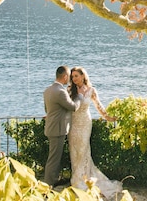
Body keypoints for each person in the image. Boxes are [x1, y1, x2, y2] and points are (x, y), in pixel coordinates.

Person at [68, 66, 122, 199]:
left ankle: (84, 179)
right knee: (74, 151)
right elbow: (64, 106)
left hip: (85, 123)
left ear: (83, 76)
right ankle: (77, 178)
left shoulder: (91, 90)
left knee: (83, 149)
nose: (74, 79)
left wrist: (109, 117)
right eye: (72, 76)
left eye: (76, 76)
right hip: (74, 124)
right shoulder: (70, 90)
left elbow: (99, 105)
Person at [43, 65, 82, 186]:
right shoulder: (60, 92)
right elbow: (73, 107)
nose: (69, 80)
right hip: (57, 129)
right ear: (65, 77)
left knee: (54, 156)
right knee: (54, 159)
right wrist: (79, 97)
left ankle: (54, 180)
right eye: (69, 77)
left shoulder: (48, 90)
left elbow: (47, 109)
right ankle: (48, 185)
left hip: (52, 127)